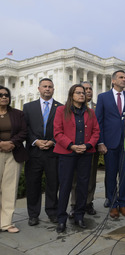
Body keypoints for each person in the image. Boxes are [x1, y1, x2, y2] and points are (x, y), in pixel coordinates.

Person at [53, 84, 100, 233]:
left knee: (83, 186)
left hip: (85, 154)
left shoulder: (91, 112)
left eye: (84, 93)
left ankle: (79, 215)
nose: (82, 95)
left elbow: (96, 132)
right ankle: (61, 218)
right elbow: (57, 132)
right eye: (78, 92)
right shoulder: (61, 110)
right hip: (67, 153)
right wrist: (71, 145)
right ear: (71, 95)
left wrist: (87, 145)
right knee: (66, 186)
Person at [95, 70, 125, 219]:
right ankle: (112, 204)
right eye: (121, 77)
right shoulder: (103, 97)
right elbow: (98, 121)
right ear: (113, 81)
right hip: (109, 143)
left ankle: (123, 203)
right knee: (111, 174)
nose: (124, 80)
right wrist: (100, 142)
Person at [23, 78, 62, 226]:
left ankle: (52, 212)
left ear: (53, 89)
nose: (47, 89)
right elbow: (25, 128)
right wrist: (35, 141)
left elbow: (62, 129)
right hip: (34, 152)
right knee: (33, 184)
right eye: (44, 86)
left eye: (50, 87)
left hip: (53, 152)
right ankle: (33, 214)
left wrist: (53, 140)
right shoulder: (28, 107)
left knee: (53, 184)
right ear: (39, 89)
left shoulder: (61, 108)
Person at [0, 85, 28, 233]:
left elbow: (24, 131)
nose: (4, 97)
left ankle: (6, 223)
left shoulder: (18, 114)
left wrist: (11, 143)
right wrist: (1, 144)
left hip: (13, 153)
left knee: (10, 188)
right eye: (1, 95)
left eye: (6, 95)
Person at [69, 81, 99, 217]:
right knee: (75, 179)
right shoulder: (70, 108)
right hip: (74, 149)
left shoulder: (96, 108)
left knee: (91, 178)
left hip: (92, 147)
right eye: (85, 89)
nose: (88, 91)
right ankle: (74, 204)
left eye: (90, 89)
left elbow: (99, 128)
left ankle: (88, 202)